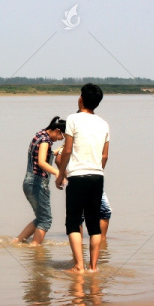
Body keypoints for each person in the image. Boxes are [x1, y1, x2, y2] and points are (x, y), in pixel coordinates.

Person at [56, 84, 110, 271]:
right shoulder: (104, 123)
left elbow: (68, 150)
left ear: (81, 99)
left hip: (77, 177)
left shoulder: (73, 119)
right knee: (93, 223)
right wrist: (97, 170)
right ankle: (93, 267)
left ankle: (79, 266)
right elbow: (105, 156)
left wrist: (61, 174)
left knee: (72, 221)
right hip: (97, 176)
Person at [12, 116, 66, 247]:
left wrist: (56, 151)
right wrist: (58, 173)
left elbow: (40, 155)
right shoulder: (46, 141)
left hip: (29, 182)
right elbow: (42, 162)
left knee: (40, 218)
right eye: (61, 137)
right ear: (58, 130)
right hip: (38, 183)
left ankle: (16, 242)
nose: (60, 139)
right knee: (46, 220)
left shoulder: (40, 135)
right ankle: (35, 248)